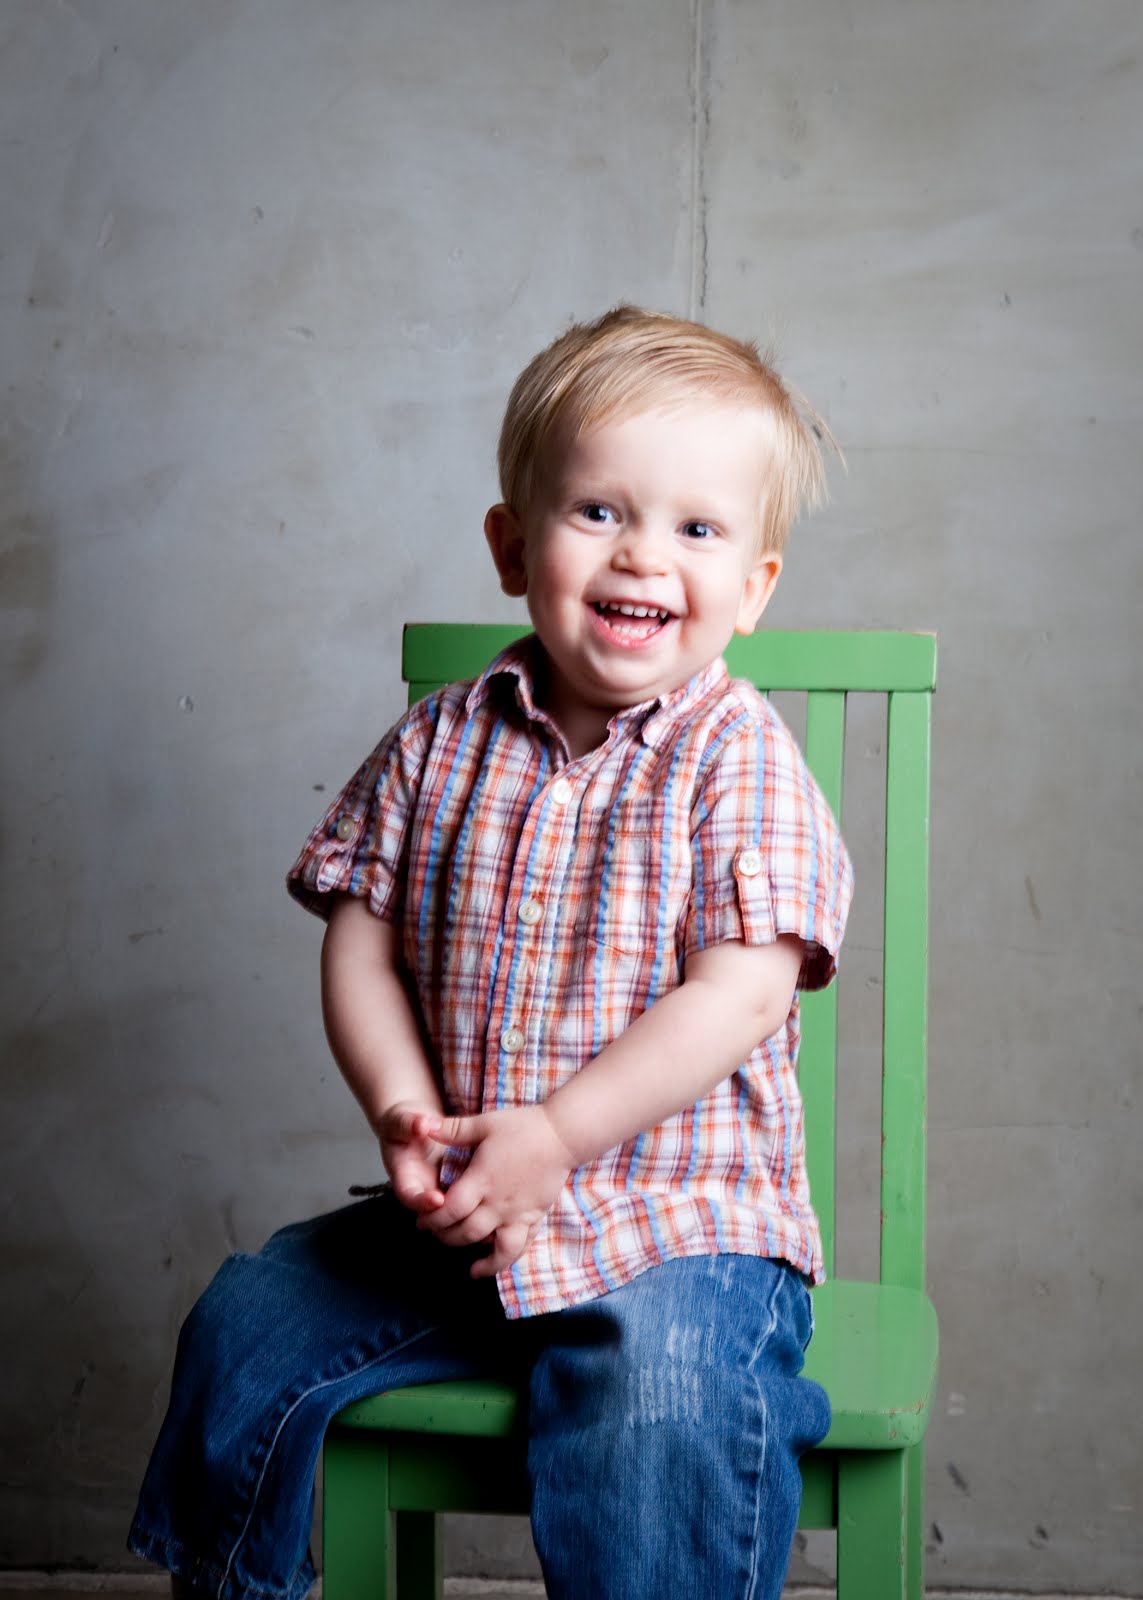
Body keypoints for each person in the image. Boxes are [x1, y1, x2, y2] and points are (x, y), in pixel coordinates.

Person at [129, 305, 853, 1600]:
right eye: (599, 511)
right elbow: (361, 943)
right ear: (514, 547)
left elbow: (741, 995)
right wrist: (405, 1115)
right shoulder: (440, 742)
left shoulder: (736, 757)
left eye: (696, 529)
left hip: (679, 1232)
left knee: (662, 1404)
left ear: (754, 587)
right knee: (248, 1321)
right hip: (466, 1220)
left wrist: (560, 1136)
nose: (643, 554)